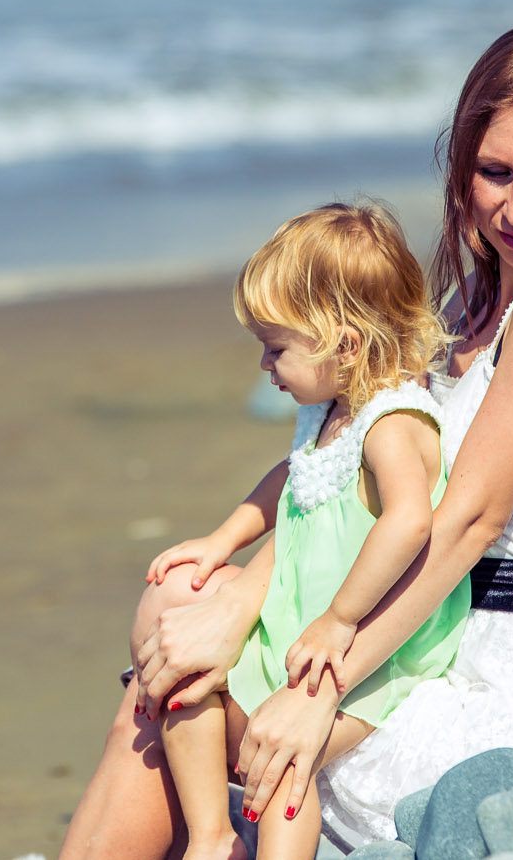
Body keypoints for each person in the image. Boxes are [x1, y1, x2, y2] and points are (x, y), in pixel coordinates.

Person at [59, 20, 513, 859]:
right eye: (494, 172)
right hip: (440, 623)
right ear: (460, 166)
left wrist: (323, 691)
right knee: (180, 628)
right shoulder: (464, 309)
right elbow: (343, 488)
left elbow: (470, 521)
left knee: (162, 704)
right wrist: (241, 598)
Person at [150, 203, 469, 860]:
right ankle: (211, 839)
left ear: (345, 344)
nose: (266, 366)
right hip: (301, 625)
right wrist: (222, 541)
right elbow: (291, 480)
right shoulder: (329, 413)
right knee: (183, 695)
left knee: (287, 764)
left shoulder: (393, 422)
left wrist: (341, 619)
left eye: (277, 349)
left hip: (366, 640)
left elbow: (410, 522)